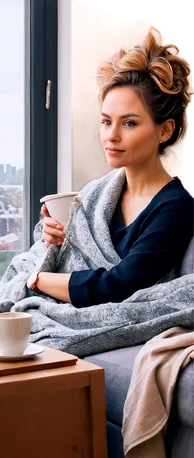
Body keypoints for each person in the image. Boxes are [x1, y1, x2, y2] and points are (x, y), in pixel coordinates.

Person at [27, 26, 194, 309]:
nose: (111, 135)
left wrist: (37, 280)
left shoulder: (176, 207)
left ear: (165, 130)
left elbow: (119, 285)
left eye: (129, 123)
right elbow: (72, 251)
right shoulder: (97, 192)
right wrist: (54, 236)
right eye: (106, 122)